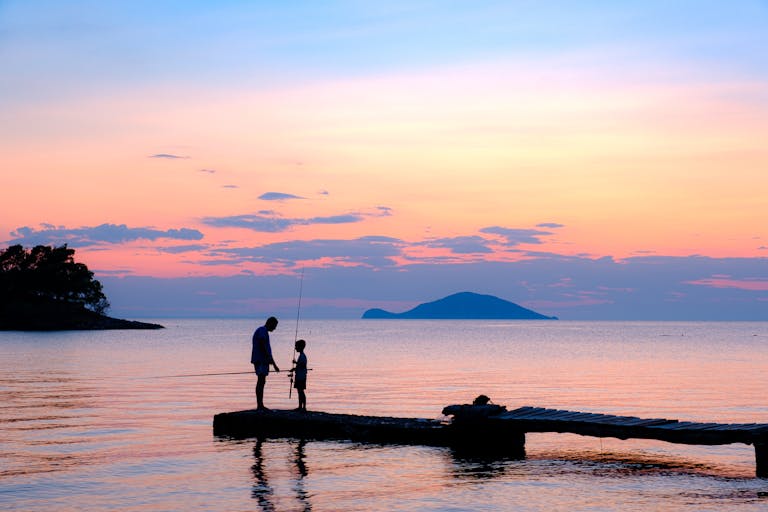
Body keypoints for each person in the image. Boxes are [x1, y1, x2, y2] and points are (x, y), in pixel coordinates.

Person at [251, 316, 280, 410]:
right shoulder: (262, 330)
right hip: (260, 360)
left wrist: (274, 364)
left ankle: (260, 405)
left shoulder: (263, 331)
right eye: (274, 326)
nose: (275, 328)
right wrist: (268, 357)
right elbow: (263, 344)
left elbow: (267, 349)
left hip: (263, 360)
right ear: (270, 323)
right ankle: (260, 405)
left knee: (262, 381)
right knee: (261, 381)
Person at [291, 339, 308, 411]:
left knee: (301, 391)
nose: (295, 348)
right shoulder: (301, 356)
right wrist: (294, 368)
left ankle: (303, 407)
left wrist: (296, 363)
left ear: (300, 347)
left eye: (296, 346)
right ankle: (300, 406)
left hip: (301, 377)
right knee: (299, 391)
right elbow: (300, 366)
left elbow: (302, 365)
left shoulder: (303, 356)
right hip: (299, 376)